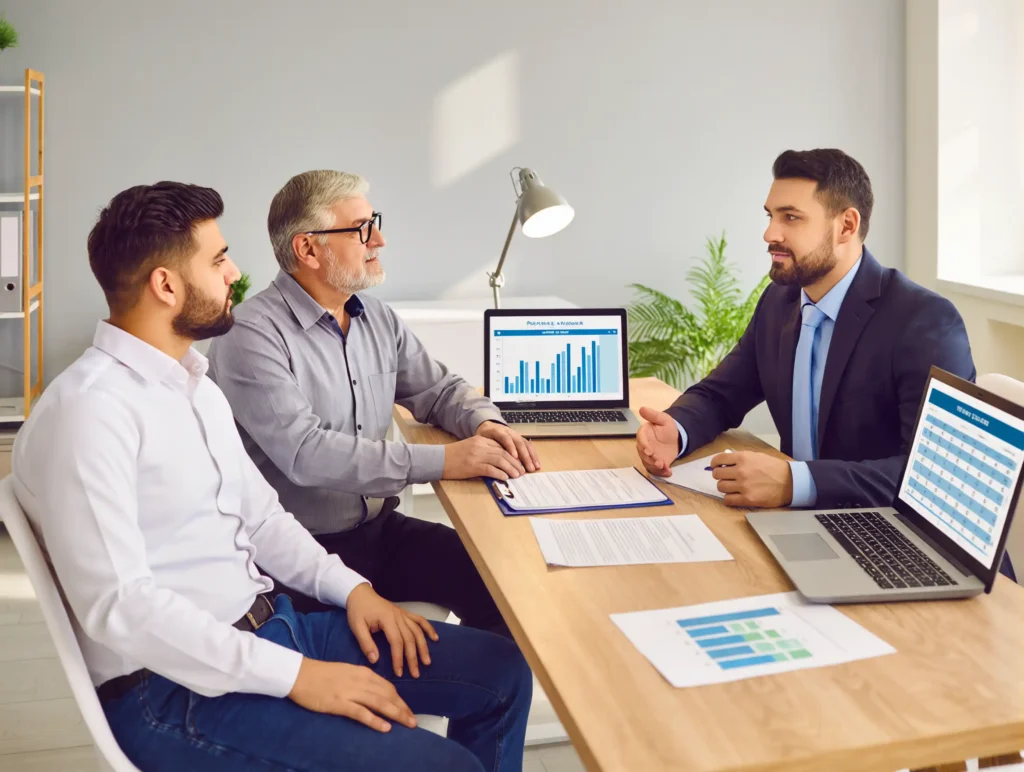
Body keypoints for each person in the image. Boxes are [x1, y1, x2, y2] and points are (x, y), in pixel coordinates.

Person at [11, 182, 532, 772]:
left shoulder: (192, 385)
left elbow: (262, 518)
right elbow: (123, 609)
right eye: (217, 259)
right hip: (172, 690)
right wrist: (299, 677)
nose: (235, 272)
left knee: (501, 675)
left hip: (270, 630)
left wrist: (354, 591)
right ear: (165, 285)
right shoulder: (89, 412)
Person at [636, 148, 1013, 581]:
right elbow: (723, 393)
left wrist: (795, 482)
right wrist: (676, 430)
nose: (769, 233)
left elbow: (934, 477)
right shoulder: (780, 302)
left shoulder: (923, 321)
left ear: (846, 225)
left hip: (908, 546)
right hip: (812, 530)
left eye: (791, 217)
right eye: (769, 215)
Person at [207, 170, 538, 634]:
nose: (378, 240)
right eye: (361, 228)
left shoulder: (376, 318)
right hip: (297, 560)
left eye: (374, 222)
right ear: (308, 249)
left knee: (506, 588)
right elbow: (306, 453)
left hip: (380, 533)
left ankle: (477, 690)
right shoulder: (250, 334)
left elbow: (437, 389)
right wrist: (444, 461)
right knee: (414, 665)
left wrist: (483, 424)